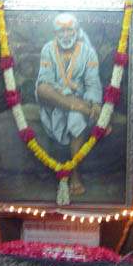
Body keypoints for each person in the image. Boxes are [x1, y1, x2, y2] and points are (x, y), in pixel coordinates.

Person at [35, 13, 103, 195]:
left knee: (76, 117)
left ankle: (75, 174)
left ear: (77, 31)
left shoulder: (88, 52)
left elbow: (92, 83)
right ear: (55, 33)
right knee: (42, 88)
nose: (65, 35)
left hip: (79, 100)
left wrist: (92, 102)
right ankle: (80, 107)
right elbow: (45, 82)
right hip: (55, 103)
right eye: (61, 31)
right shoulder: (48, 49)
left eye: (69, 30)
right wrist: (68, 97)